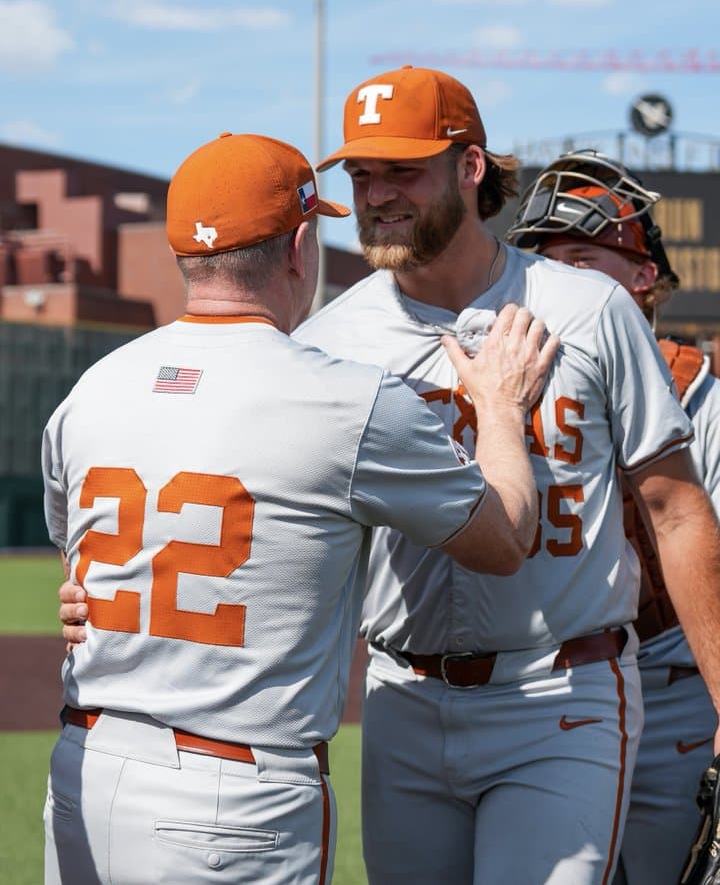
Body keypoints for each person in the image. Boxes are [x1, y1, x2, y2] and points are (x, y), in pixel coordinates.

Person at [59, 66, 720, 884]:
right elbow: (249, 516)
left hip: (561, 690)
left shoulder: (587, 308)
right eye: (361, 174)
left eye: (403, 169)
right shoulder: (331, 340)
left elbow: (676, 507)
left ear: (470, 167)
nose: (377, 195)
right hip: (402, 695)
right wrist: (106, 590)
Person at [42, 130, 558, 885]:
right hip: (232, 796)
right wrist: (502, 410)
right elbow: (506, 540)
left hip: (86, 766)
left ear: (185, 255)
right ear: (300, 246)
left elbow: (76, 567)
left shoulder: (95, 386)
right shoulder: (348, 400)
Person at [505, 148, 720, 885]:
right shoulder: (493, 388)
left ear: (643, 278)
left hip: (673, 697)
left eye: (580, 259)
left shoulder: (702, 399)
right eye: (541, 263)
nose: (557, 281)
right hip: (534, 695)